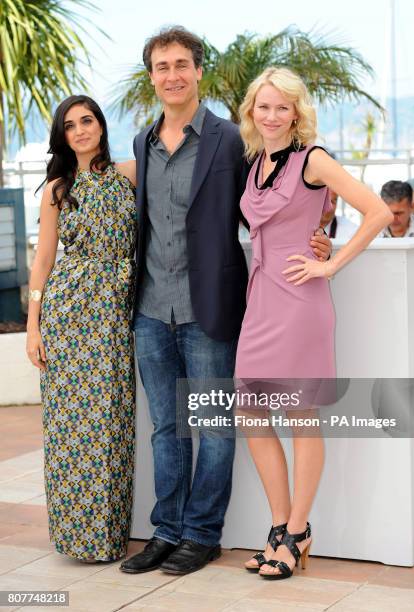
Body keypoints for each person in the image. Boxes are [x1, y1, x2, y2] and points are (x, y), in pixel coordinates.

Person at [119, 26, 333, 577]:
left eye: (182, 64)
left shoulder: (230, 139)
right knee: (166, 427)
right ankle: (165, 531)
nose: (172, 74)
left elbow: (277, 197)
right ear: (152, 76)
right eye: (162, 66)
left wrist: (321, 232)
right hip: (149, 309)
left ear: (197, 72)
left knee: (216, 425)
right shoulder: (142, 142)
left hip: (210, 307)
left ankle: (201, 535)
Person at [234, 67, 392, 580]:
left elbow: (378, 212)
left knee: (302, 419)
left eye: (283, 107)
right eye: (264, 107)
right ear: (252, 112)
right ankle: (280, 529)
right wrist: (321, 229)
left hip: (301, 303)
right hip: (260, 302)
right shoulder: (255, 161)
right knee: (252, 417)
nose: (273, 115)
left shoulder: (313, 159)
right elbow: (311, 217)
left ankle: (298, 530)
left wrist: (329, 261)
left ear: (297, 112)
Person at [26, 95, 137, 562]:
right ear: (63, 136)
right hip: (68, 311)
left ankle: (109, 536)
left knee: (112, 422)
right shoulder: (57, 188)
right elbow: (45, 257)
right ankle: (75, 538)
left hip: (115, 309)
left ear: (101, 126)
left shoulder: (130, 173)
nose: (80, 130)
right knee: (70, 427)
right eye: (70, 125)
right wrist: (33, 325)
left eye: (87, 120)